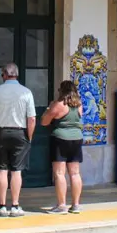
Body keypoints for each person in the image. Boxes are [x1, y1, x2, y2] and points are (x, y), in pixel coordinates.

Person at [0, 63, 36, 217]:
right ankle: (15, 206)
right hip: (20, 133)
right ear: (17, 75)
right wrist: (29, 137)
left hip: (0, 132)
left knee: (1, 170)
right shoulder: (26, 92)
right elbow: (32, 118)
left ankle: (1, 206)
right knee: (16, 171)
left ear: (4, 75)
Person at [41, 80, 84, 214]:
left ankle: (61, 205)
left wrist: (48, 109)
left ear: (62, 91)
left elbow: (44, 122)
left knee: (59, 173)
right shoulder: (79, 105)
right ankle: (76, 204)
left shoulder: (58, 105)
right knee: (75, 173)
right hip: (77, 139)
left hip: (60, 139)